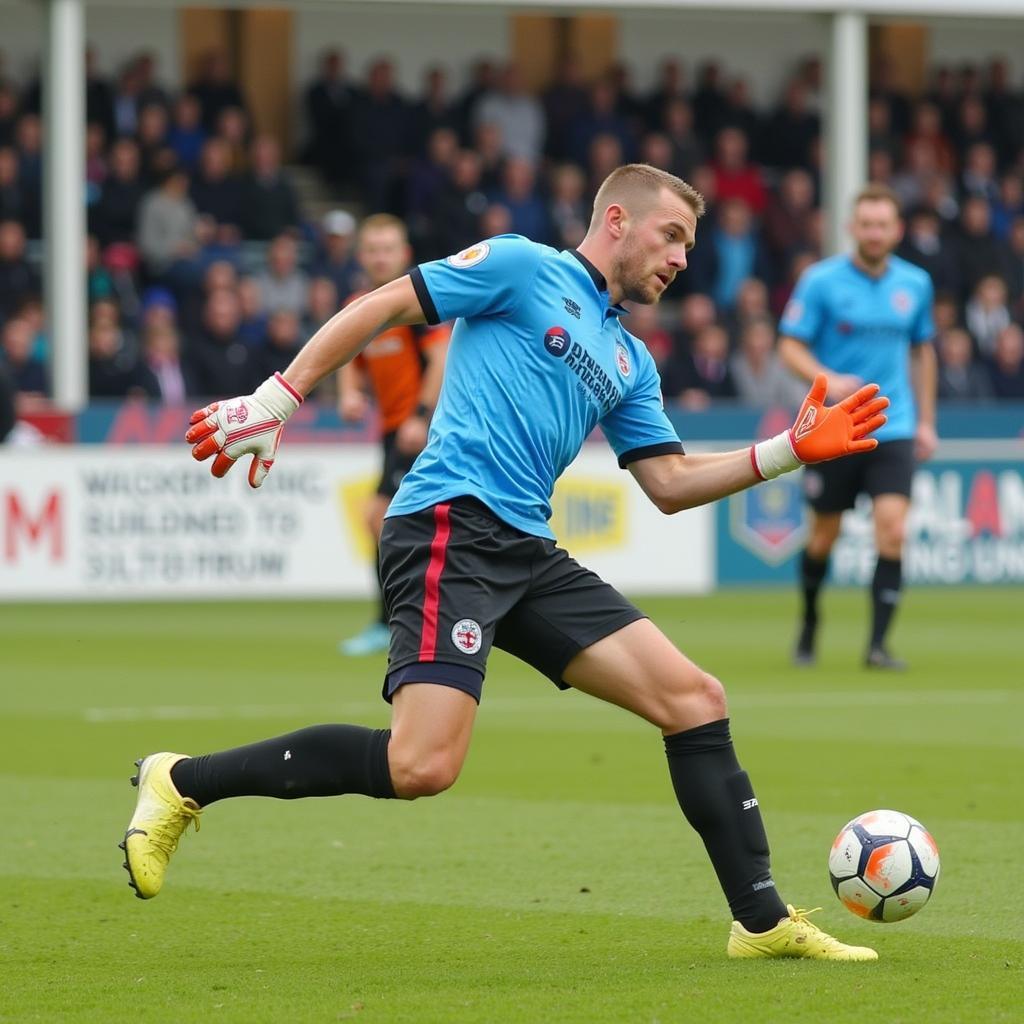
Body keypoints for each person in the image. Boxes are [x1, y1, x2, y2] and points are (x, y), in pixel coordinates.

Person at [121, 164, 888, 962]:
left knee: (695, 699)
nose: (682, 259)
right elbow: (385, 304)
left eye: (690, 245)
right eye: (672, 236)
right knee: (421, 765)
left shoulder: (630, 358)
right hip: (449, 526)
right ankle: (182, 781)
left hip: (524, 548)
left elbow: (667, 483)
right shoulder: (524, 267)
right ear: (617, 220)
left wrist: (785, 451)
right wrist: (280, 397)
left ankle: (760, 923)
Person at [778, 183, 937, 671]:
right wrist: (827, 379)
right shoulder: (821, 282)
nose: (873, 232)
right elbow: (790, 346)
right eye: (865, 224)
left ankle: (878, 646)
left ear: (896, 230)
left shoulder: (916, 284)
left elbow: (922, 350)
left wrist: (927, 421)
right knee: (824, 535)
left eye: (882, 224)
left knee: (892, 531)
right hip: (835, 427)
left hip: (894, 425)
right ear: (852, 228)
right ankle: (809, 623)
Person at [336, 214, 450, 656]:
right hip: (393, 431)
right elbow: (349, 357)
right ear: (361, 255)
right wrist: (349, 394)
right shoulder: (359, 305)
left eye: (389, 248)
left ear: (403, 254)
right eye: (373, 248)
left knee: (382, 519)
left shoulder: (415, 301)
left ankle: (392, 623)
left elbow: (440, 360)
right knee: (388, 522)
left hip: (424, 429)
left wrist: (421, 416)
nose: (380, 256)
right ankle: (402, 619)